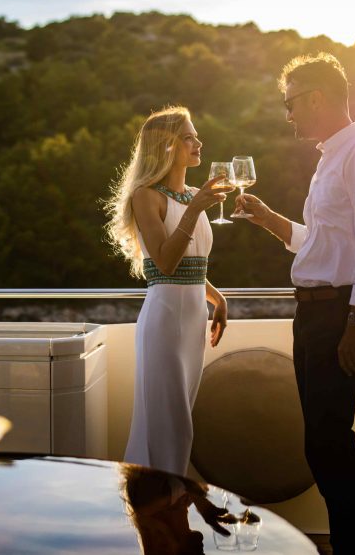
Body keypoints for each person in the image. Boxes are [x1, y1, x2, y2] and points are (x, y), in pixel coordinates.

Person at [234, 53, 355, 555]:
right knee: (322, 442)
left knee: (329, 442)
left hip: (341, 315)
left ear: (316, 98)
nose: (288, 116)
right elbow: (329, 243)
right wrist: (269, 221)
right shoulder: (333, 156)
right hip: (316, 314)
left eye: (291, 105)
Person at [104, 105, 230, 476]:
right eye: (188, 137)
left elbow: (191, 266)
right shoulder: (147, 196)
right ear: (167, 147)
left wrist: (217, 298)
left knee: (179, 421)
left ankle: (159, 510)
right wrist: (195, 209)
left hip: (193, 321)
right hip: (165, 322)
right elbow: (165, 264)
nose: (198, 142)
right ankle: (165, 511)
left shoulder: (193, 194)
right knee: (171, 425)